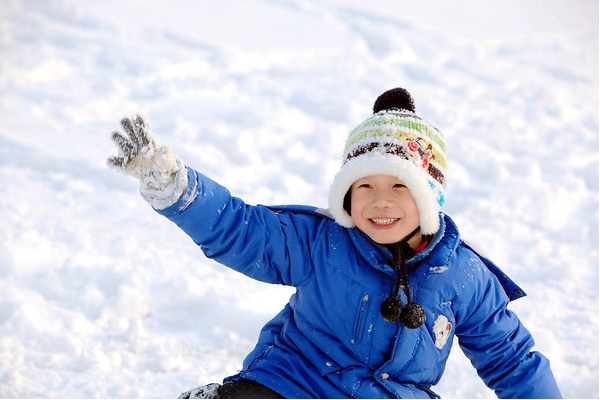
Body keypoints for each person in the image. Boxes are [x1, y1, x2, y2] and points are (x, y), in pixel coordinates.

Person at [107, 88, 562, 399]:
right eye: (365, 187)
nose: (380, 202)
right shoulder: (320, 241)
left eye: (400, 187)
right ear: (346, 193)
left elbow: (512, 360)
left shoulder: (463, 277)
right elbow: (240, 229)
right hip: (290, 383)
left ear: (429, 197)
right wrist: (177, 188)